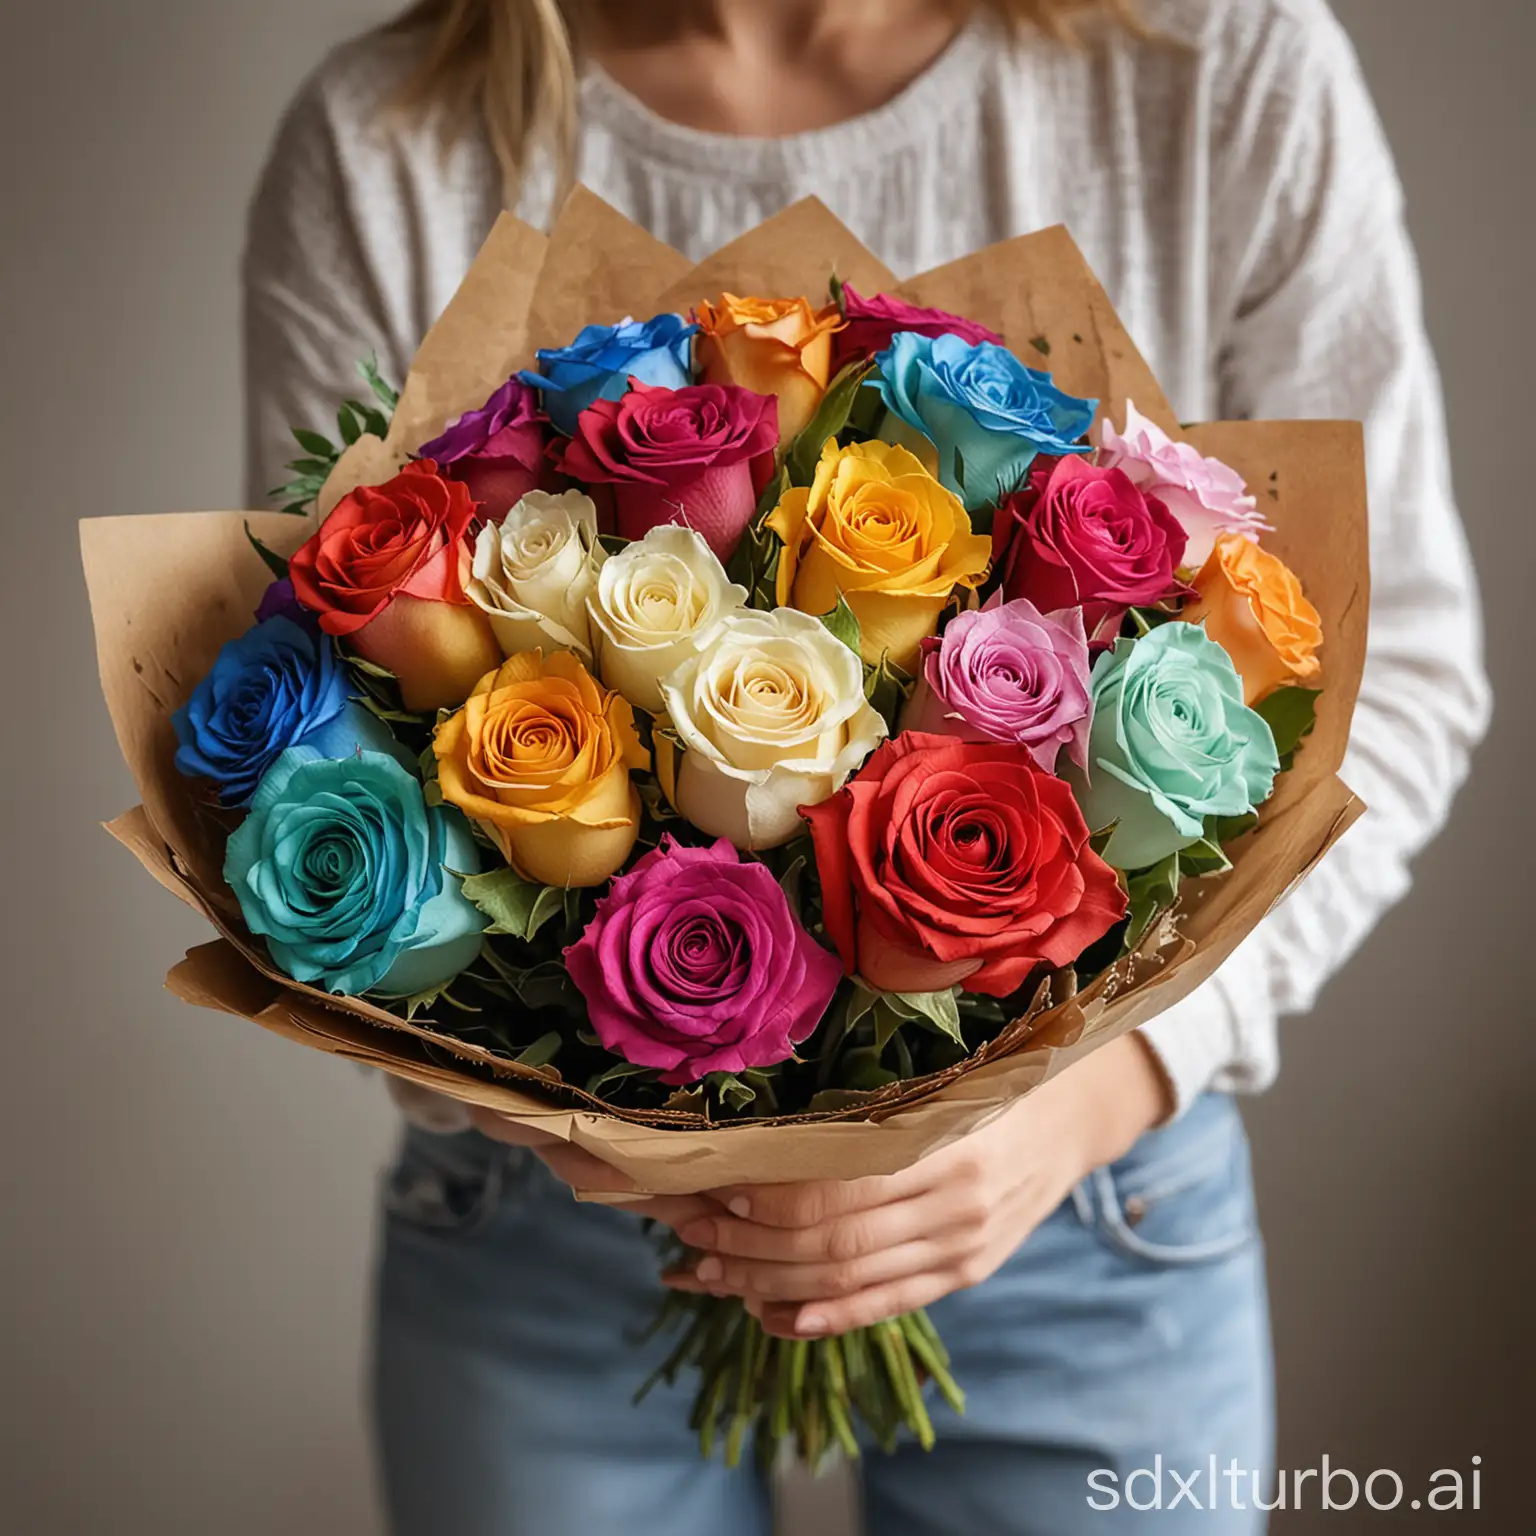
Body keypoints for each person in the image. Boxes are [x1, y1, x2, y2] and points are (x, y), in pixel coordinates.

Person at [243, 2, 1490, 1531]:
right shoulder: (388, 141)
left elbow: (1407, 663)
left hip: (1080, 1195)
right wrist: (605, 1120)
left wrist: (1087, 1103)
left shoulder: (1217, 57)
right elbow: (320, 710)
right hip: (549, 1227)